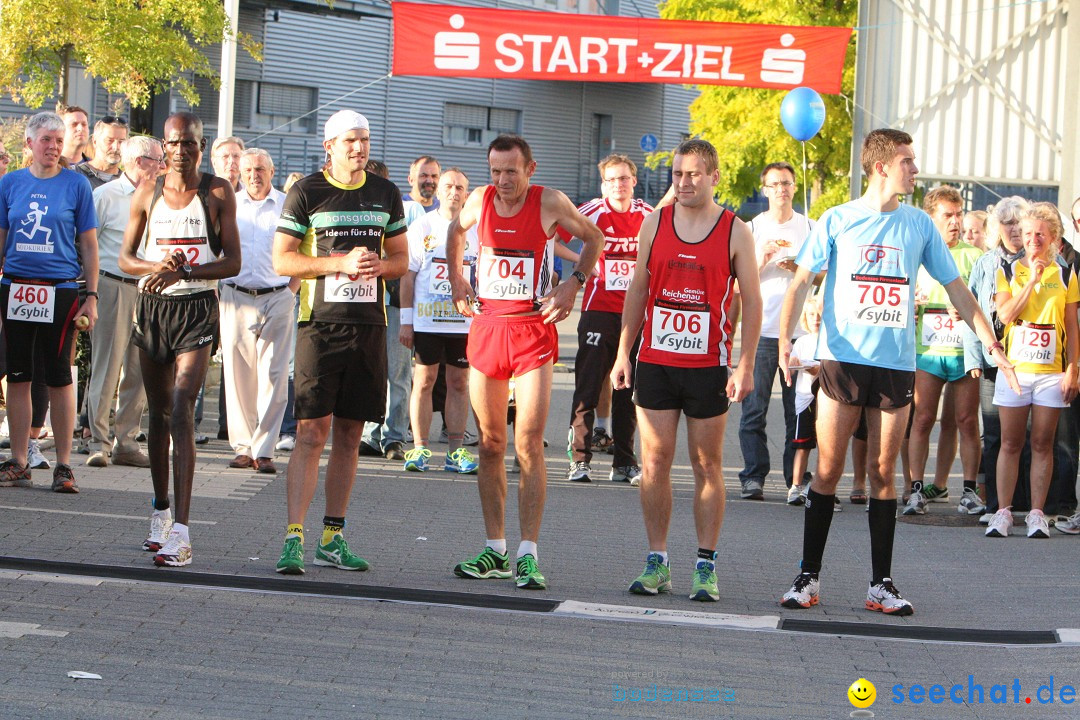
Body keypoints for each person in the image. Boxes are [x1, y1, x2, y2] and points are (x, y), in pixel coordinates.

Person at [777, 128, 1018, 616]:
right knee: (827, 468)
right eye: (907, 161)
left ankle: (880, 584)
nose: (914, 168)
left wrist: (991, 343)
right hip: (843, 360)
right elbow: (802, 280)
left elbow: (956, 289)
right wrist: (784, 340)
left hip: (895, 365)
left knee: (883, 471)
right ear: (882, 166)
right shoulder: (838, 219)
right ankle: (808, 577)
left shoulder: (918, 226)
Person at [447, 134, 603, 590]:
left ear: (529, 169)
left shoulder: (549, 202)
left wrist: (573, 283)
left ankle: (528, 553)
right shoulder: (479, 200)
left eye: (511, 171)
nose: (502, 180)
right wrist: (457, 278)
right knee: (491, 442)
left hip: (532, 331)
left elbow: (594, 238)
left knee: (528, 444)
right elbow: (456, 233)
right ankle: (494, 548)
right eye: (495, 171)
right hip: (488, 329)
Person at [612, 138, 761, 603]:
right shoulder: (654, 223)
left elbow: (752, 302)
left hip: (707, 364)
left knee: (706, 463)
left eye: (694, 174)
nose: (684, 182)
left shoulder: (735, 230)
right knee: (654, 461)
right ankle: (657, 560)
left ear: (714, 176)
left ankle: (705, 564)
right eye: (678, 174)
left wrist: (746, 363)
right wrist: (623, 352)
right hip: (656, 360)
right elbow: (638, 289)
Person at [272, 110, 408, 575]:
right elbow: (282, 261)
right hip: (319, 325)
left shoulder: (385, 192)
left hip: (369, 327)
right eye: (350, 141)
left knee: (351, 435)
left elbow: (402, 259)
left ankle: (333, 536)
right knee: (312, 432)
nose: (359, 148)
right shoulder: (307, 191)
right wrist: (338, 264)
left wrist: (379, 267)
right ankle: (294, 537)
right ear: (329, 145)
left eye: (365, 140)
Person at [118, 111, 242, 566]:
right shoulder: (147, 194)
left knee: (184, 404)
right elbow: (126, 257)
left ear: (200, 146)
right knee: (159, 412)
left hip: (195, 309)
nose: (182, 150)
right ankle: (160, 512)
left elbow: (232, 263)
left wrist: (186, 271)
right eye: (174, 143)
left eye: (190, 143)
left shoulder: (216, 191)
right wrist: (159, 269)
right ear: (163, 148)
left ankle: (184, 534)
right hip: (153, 309)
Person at [0, 111, 99, 492]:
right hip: (16, 286)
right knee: (19, 375)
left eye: (59, 141)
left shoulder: (76, 186)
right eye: (46, 140)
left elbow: (88, 244)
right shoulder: (10, 184)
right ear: (29, 144)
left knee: (59, 376)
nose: (54, 147)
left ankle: (63, 466)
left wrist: (90, 296)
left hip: (59, 290)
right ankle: (20, 460)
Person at [984, 203, 1078, 538]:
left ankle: (1037, 513)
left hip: (1051, 371)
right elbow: (1006, 314)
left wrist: (1073, 370)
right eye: (1027, 233)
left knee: (1042, 442)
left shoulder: (1066, 273)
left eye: (1040, 233)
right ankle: (1003, 511)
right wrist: (1031, 281)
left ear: (1053, 236)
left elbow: (1071, 325)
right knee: (1010, 442)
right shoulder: (1007, 271)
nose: (1033, 239)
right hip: (1016, 371)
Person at [565, 154, 652, 486]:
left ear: (634, 181)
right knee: (587, 385)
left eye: (624, 178)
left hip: (635, 313)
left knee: (628, 387)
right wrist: (584, 264)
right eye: (612, 179)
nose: (619, 185)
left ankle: (624, 462)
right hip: (598, 309)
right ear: (603, 185)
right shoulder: (591, 211)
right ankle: (580, 460)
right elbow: (553, 238)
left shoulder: (647, 214)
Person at [85, 136, 165, 468]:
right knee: (107, 366)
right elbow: (87, 245)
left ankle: (127, 442)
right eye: (157, 159)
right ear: (137, 161)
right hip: (111, 284)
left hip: (149, 289)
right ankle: (98, 442)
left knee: (139, 370)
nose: (163, 166)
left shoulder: (163, 198)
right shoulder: (104, 196)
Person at [903, 186, 983, 515]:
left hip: (964, 352)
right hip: (928, 349)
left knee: (965, 420)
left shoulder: (974, 256)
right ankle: (916, 489)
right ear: (931, 217)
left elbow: (986, 303)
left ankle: (968, 489)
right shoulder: (917, 253)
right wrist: (914, 305)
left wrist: (966, 308)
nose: (954, 221)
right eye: (947, 215)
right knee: (922, 419)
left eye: (958, 214)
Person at [738, 162, 815, 501]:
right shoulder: (751, 228)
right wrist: (763, 260)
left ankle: (795, 479)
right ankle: (753, 476)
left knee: (795, 410)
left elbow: (823, 276)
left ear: (795, 187)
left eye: (786, 183)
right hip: (761, 331)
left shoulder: (810, 226)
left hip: (800, 333)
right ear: (765, 189)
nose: (781, 189)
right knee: (753, 409)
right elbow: (738, 283)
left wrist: (800, 268)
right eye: (774, 184)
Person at [220, 148, 295, 475]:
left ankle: (265, 449)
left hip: (277, 295)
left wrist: (291, 290)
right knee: (238, 376)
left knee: (275, 377)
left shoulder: (286, 205)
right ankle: (243, 447)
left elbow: (302, 248)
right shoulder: (230, 204)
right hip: (235, 296)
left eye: (260, 169)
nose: (254, 175)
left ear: (272, 171)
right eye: (248, 169)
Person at [399, 167, 478, 473]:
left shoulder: (477, 230)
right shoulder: (423, 226)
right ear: (439, 191)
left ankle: (455, 451)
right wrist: (406, 321)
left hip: (463, 322)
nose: (453, 192)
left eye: (460, 187)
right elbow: (409, 276)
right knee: (424, 381)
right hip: (427, 321)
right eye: (448, 186)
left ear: (467, 194)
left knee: (459, 382)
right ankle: (420, 449)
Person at [361, 156, 437, 460]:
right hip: (365, 301)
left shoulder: (409, 210)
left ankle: (394, 436)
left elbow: (410, 261)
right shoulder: (356, 210)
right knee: (370, 372)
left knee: (398, 372)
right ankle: (371, 433)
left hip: (393, 302)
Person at [962, 197, 1031, 519]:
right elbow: (971, 310)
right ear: (997, 228)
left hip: (1029, 361)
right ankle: (994, 504)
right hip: (991, 362)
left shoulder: (1038, 262)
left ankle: (1026, 504)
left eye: (1019, 222)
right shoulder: (985, 262)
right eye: (1007, 223)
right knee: (992, 434)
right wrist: (973, 358)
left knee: (1025, 438)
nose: (1014, 229)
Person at [788, 296, 823, 505]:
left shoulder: (831, 340)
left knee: (827, 447)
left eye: (819, 314)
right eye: (811, 315)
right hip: (804, 399)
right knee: (802, 445)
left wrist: (818, 369)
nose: (816, 319)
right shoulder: (801, 342)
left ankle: (821, 486)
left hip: (826, 400)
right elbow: (791, 368)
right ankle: (796, 485)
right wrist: (791, 363)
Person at [74, 116, 128, 189]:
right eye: (109, 140)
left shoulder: (127, 183)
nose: (116, 147)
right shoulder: (74, 175)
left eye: (121, 142)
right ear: (95, 141)